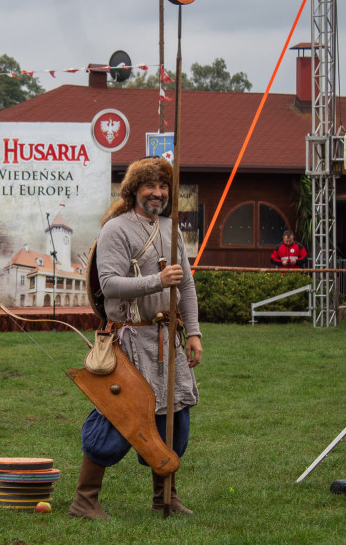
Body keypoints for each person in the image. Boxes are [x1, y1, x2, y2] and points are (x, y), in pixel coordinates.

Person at [69, 157, 203, 519]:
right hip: (130, 340)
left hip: (167, 340)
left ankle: (165, 496)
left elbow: (186, 285)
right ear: (134, 190)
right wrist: (157, 282)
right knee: (118, 416)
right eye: (150, 186)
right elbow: (111, 283)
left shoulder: (170, 230)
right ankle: (85, 500)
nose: (157, 193)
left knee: (174, 419)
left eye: (163, 187)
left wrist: (192, 332)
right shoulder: (116, 229)